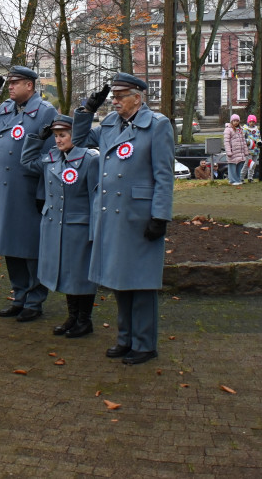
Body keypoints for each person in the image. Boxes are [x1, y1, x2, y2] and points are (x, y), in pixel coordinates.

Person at [73, 72, 174, 366]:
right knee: (119, 280)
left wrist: (160, 216)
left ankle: (144, 344)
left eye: (119, 97)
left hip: (138, 217)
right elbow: (78, 140)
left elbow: (164, 175)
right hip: (111, 216)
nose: (114, 102)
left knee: (140, 283)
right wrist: (87, 110)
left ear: (138, 98)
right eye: (112, 97)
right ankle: (125, 338)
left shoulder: (157, 125)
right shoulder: (108, 125)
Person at [0, 66, 57, 322]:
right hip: (3, 190)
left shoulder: (45, 111)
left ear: (29, 85)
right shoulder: (6, 109)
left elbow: (50, 156)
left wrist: (43, 192)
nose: (10, 87)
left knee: (30, 248)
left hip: (28, 191)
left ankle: (34, 300)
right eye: (9, 83)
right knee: (10, 246)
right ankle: (19, 295)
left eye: (15, 82)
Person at [21, 114, 100, 338]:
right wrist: (37, 138)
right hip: (55, 225)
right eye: (55, 136)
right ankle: (72, 317)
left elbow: (96, 197)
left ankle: (84, 320)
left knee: (80, 276)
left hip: (79, 226)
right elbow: (26, 162)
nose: (58, 140)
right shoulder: (52, 157)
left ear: (76, 134)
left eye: (62, 135)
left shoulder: (89, 158)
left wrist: (94, 230)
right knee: (66, 274)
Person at [223, 114, 248, 186]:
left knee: (239, 166)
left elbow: (243, 141)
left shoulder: (240, 130)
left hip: (240, 152)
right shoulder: (228, 129)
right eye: (234, 121)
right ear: (231, 121)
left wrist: (246, 151)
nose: (236, 122)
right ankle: (232, 180)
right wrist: (228, 151)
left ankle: (238, 179)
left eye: (237, 121)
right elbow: (226, 142)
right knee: (232, 167)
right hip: (232, 152)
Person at [241, 115, 261, 183]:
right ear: (248, 121)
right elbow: (242, 138)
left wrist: (259, 142)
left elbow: (258, 137)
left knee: (253, 164)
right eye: (250, 121)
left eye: (253, 121)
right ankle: (241, 177)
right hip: (248, 149)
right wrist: (247, 142)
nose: (252, 123)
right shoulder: (245, 129)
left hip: (256, 149)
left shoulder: (257, 129)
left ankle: (250, 177)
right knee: (247, 163)